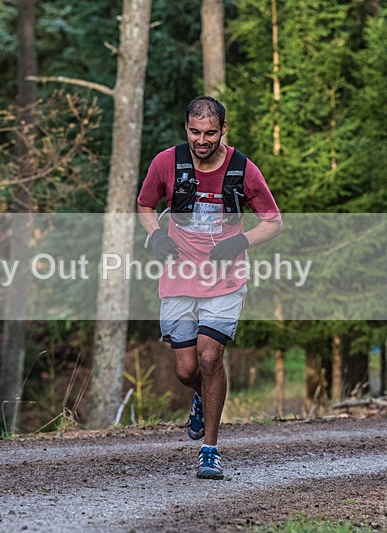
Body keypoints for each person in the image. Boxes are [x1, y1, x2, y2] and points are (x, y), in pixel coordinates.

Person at [136, 96, 282, 479]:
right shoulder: (167, 162)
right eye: (195, 132)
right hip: (179, 275)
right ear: (186, 128)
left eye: (210, 133)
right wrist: (154, 237)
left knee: (209, 358)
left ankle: (210, 450)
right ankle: (201, 396)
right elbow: (144, 205)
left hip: (225, 278)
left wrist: (241, 241)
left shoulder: (242, 169)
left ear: (223, 131)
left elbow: (273, 221)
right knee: (186, 371)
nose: (202, 140)